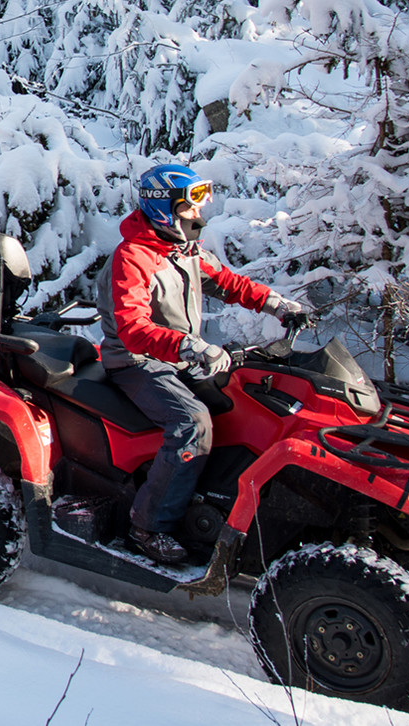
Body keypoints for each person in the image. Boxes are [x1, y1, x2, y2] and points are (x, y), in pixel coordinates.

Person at [95, 163, 309, 565]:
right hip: (137, 363)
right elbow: (133, 330)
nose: (199, 213)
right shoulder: (133, 258)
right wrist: (191, 348)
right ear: (166, 209)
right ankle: (148, 526)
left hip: (179, 358)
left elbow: (229, 283)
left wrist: (276, 304)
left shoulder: (183, 251)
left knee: (247, 400)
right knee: (192, 423)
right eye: (191, 204)